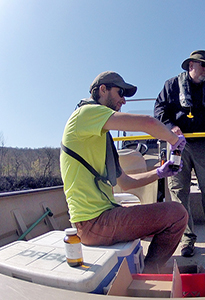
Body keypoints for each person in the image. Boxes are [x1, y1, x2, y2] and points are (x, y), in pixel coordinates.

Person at [60, 71, 188, 273]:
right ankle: (149, 272)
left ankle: (143, 269)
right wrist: (174, 141)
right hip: (94, 222)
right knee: (177, 214)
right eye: (120, 93)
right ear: (103, 90)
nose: (124, 100)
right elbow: (148, 123)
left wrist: (159, 173)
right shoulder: (86, 113)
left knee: (163, 213)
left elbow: (125, 182)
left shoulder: (99, 134)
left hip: (100, 217)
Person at [154, 50, 205, 257]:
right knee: (179, 192)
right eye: (203, 65)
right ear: (191, 65)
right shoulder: (171, 85)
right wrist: (171, 126)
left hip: (204, 146)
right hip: (177, 145)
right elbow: (159, 110)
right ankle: (186, 240)